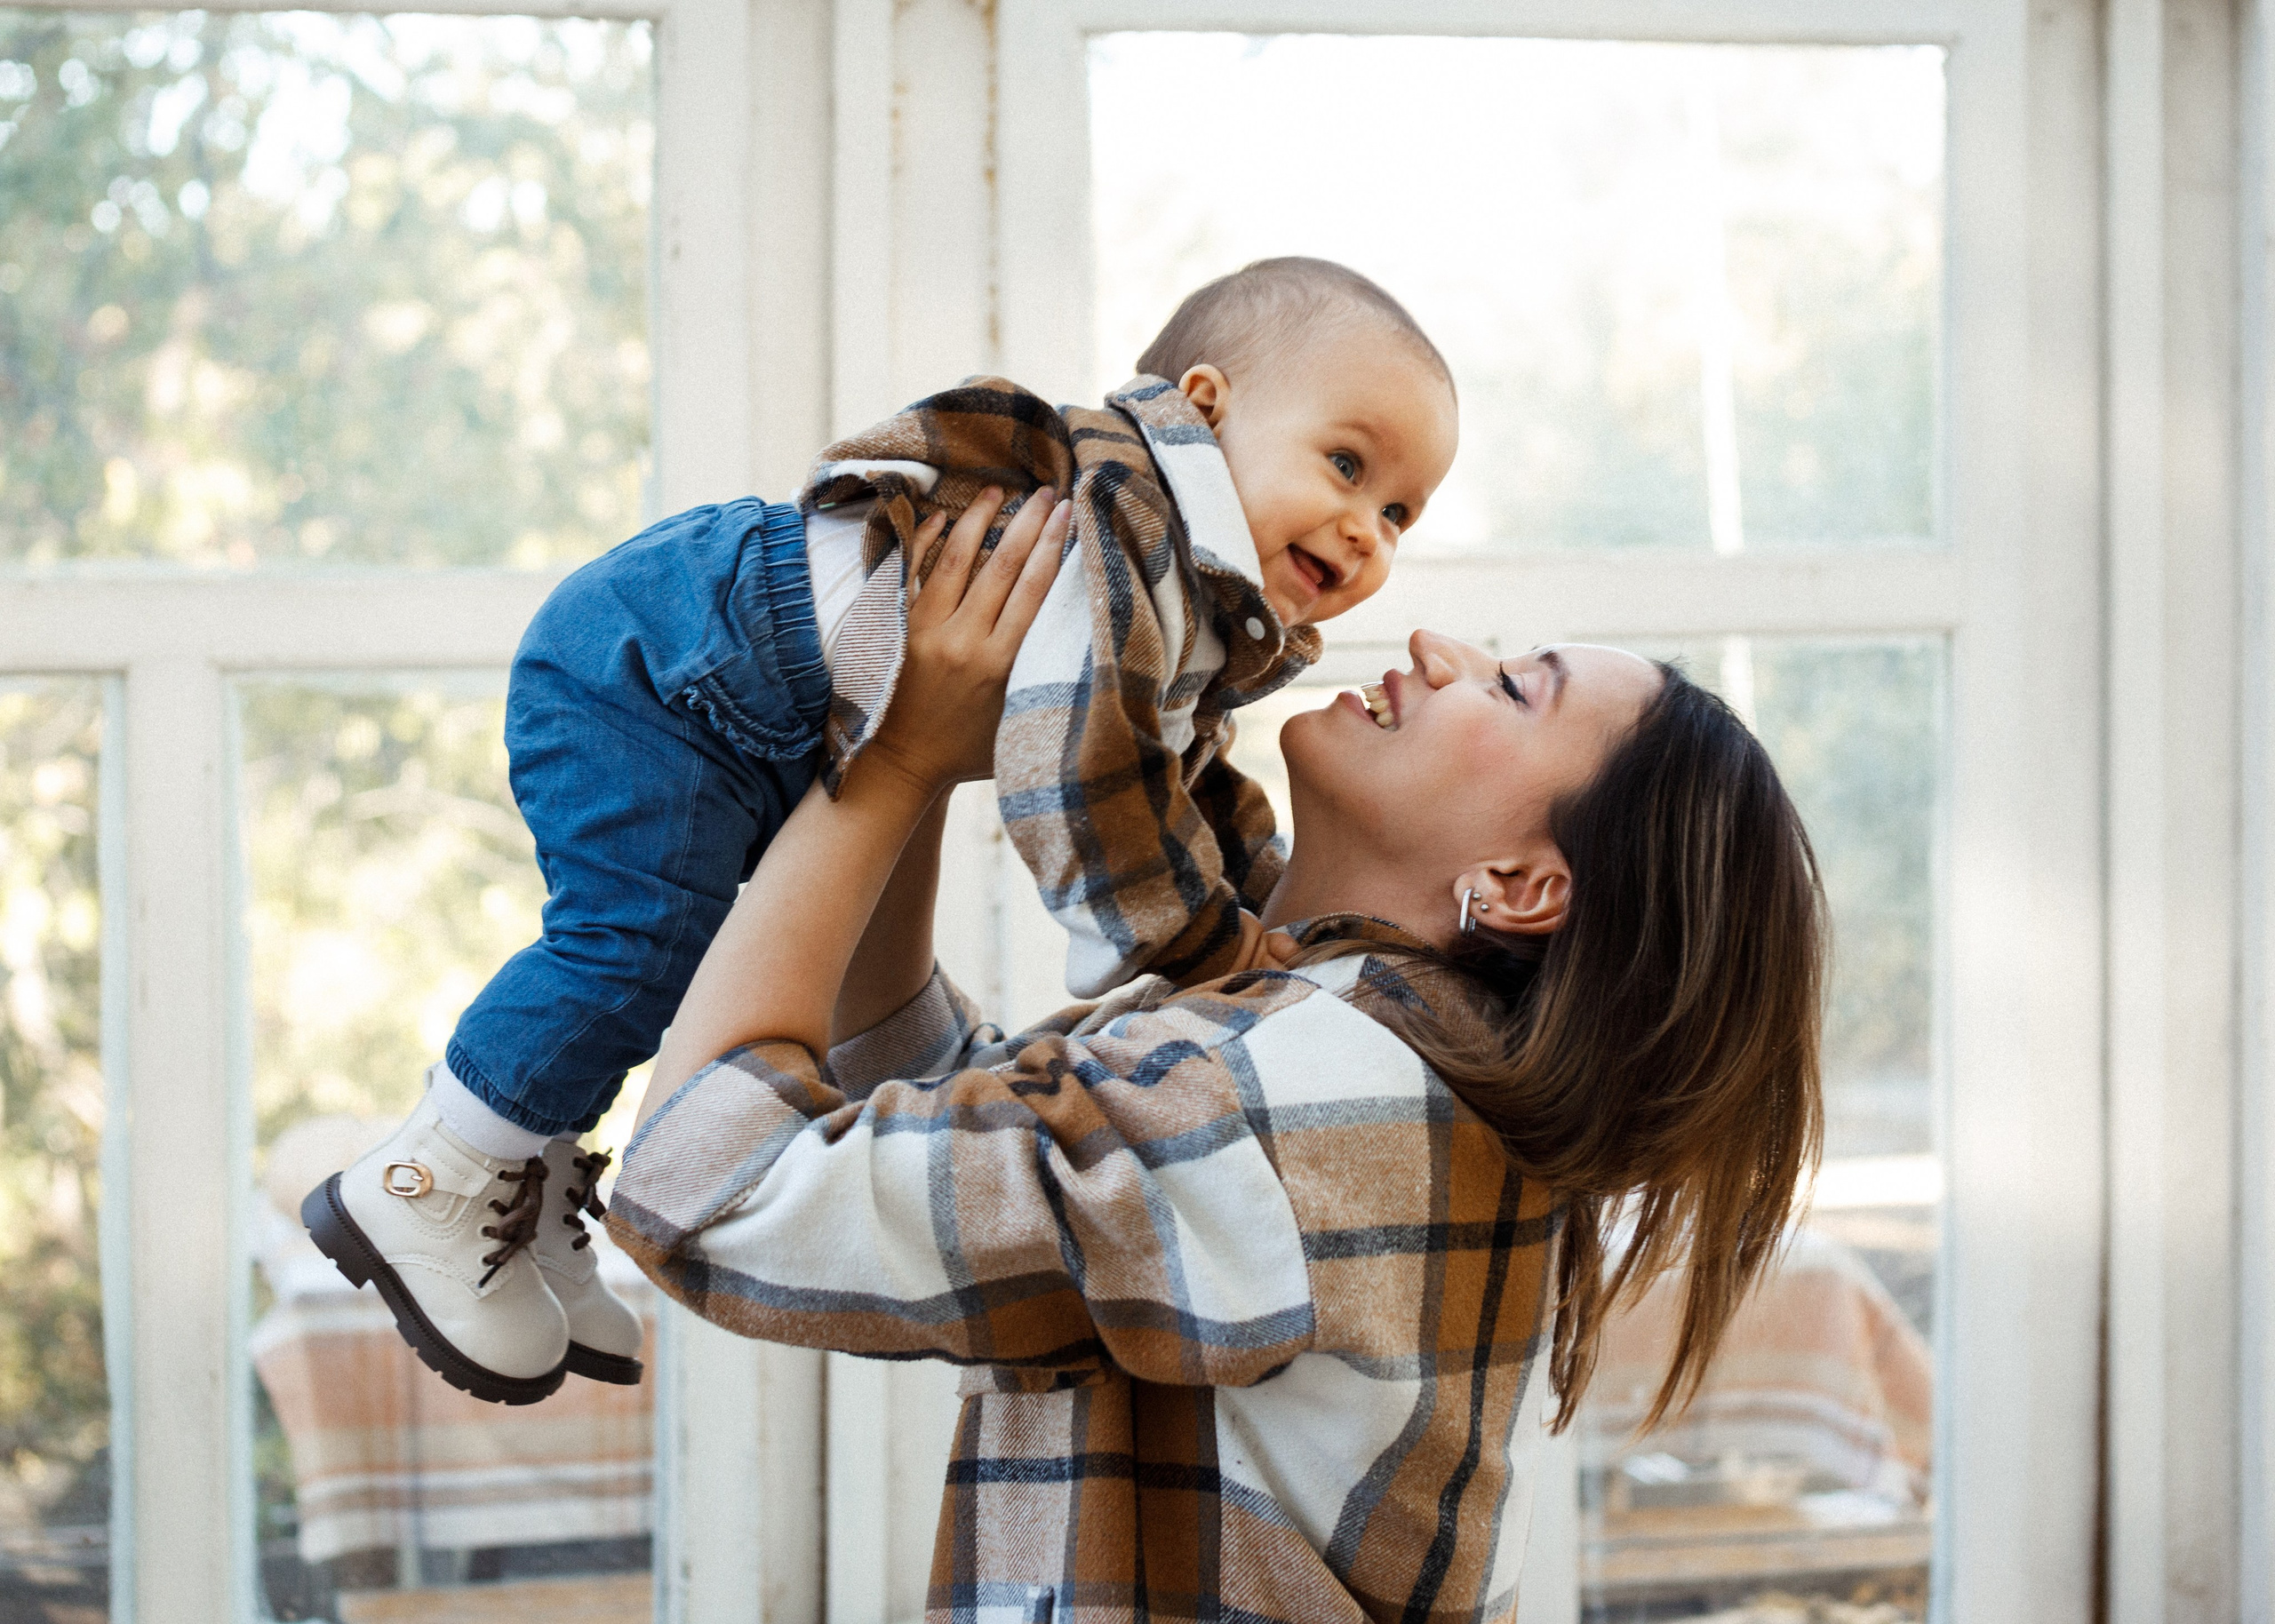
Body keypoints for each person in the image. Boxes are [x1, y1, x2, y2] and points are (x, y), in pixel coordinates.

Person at [605, 490, 1828, 1621]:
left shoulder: (1299, 1098)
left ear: (1518, 885)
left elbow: (708, 1187)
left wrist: (898, 761)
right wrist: (918, 743)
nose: (1436, 650)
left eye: (1513, 690)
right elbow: (931, 1108)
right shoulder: (1365, 1059)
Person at [299, 258, 1461, 1405]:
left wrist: (1257, 907)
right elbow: (1084, 782)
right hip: (665, 662)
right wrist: (1194, 950)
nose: (1367, 529)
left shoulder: (1187, 604)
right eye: (1347, 465)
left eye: (1400, 511)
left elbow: (1185, 791)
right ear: (1205, 411)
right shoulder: (1128, 546)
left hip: (742, 699)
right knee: (634, 946)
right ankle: (431, 1175)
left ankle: (526, 1186)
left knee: (690, 960)